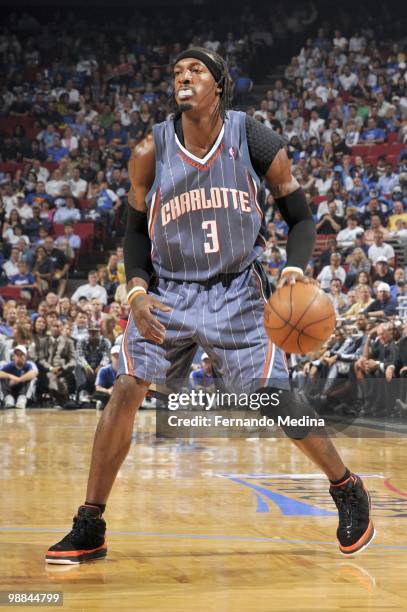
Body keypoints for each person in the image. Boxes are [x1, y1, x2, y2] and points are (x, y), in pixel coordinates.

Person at [47, 47, 374, 564]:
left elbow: (302, 218)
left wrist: (293, 266)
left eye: (195, 69)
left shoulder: (254, 138)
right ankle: (90, 524)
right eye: (177, 72)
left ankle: (346, 486)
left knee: (274, 397)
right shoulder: (148, 151)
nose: (184, 76)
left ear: (218, 83)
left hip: (236, 288)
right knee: (127, 389)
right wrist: (134, 290)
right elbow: (134, 232)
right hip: (169, 291)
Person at [93, 345, 120, 410]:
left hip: (121, 395)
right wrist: (108, 391)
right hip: (108, 395)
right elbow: (98, 388)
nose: (117, 358)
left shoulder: (127, 371)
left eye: (119, 356)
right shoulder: (103, 370)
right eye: (114, 356)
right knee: (98, 396)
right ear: (111, 357)